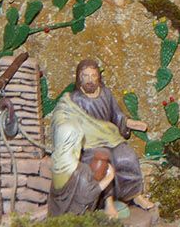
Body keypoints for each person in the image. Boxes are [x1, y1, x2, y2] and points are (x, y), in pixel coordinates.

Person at [47, 59, 155, 212]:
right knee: (101, 163)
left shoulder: (106, 94)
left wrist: (131, 123)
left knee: (127, 156)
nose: (89, 80)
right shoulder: (74, 100)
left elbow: (116, 115)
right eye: (85, 76)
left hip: (110, 138)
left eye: (93, 75)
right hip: (90, 143)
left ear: (99, 77)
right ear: (79, 78)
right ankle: (107, 202)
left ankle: (135, 194)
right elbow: (63, 117)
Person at [47, 145, 118, 218]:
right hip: (69, 216)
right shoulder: (83, 173)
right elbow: (89, 195)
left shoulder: (68, 167)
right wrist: (109, 177)